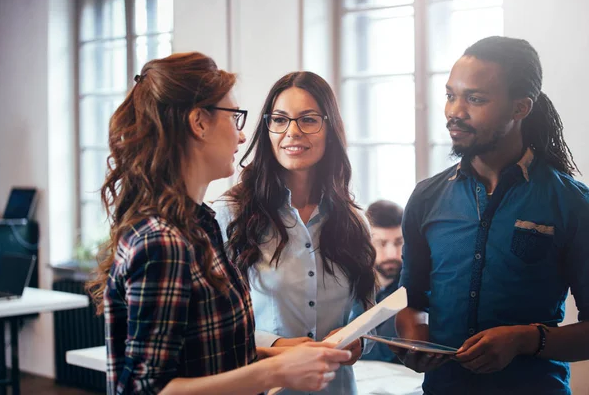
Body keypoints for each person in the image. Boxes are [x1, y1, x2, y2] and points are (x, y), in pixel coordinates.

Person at [86, 53, 352, 395]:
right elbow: (144, 390)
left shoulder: (201, 225)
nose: (243, 138)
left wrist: (279, 354)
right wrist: (274, 371)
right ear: (199, 123)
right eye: (234, 118)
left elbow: (211, 351)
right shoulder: (162, 242)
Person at [395, 36, 589, 395]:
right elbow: (411, 303)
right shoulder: (426, 198)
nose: (455, 111)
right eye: (450, 95)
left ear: (520, 108)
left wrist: (525, 340)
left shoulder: (573, 204)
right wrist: (414, 336)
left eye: (475, 99)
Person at [213, 71, 377, 394]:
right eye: (280, 120)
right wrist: (277, 345)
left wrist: (359, 341)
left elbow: (367, 314)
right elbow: (216, 326)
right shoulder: (230, 214)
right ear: (268, 128)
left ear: (330, 129)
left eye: (308, 120)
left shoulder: (354, 221)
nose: (292, 132)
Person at [350, 200, 404, 363]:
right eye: (381, 243)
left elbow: (381, 351)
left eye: (399, 242)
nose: (392, 254)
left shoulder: (412, 289)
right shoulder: (350, 284)